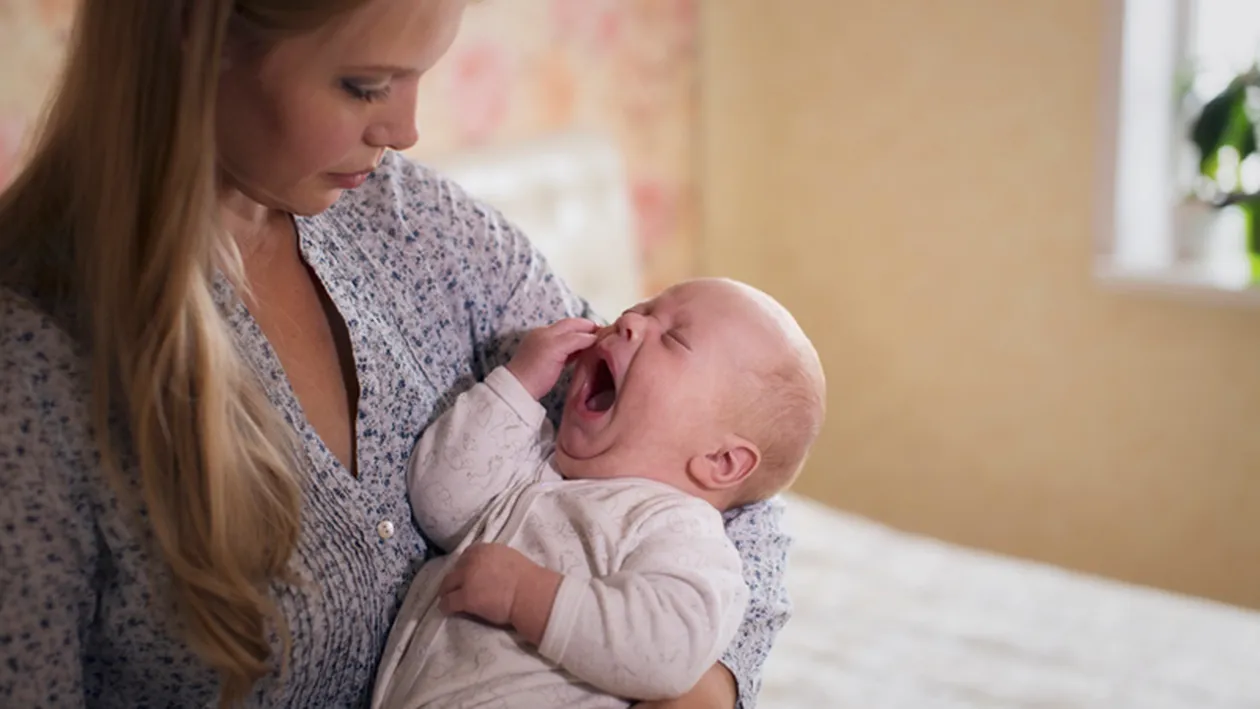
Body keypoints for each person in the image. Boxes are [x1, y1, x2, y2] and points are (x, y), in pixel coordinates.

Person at [0, 1, 792, 708]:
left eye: (421, 76)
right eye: (364, 84)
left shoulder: (415, 220)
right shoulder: (36, 361)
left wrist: (697, 686)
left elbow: (723, 468)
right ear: (190, 35)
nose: (404, 131)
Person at [372, 278, 826, 709]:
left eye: (674, 339)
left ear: (720, 462)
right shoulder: (537, 460)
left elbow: (669, 649)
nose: (630, 320)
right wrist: (518, 384)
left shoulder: (679, 530)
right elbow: (440, 504)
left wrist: (526, 596)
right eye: (644, 308)